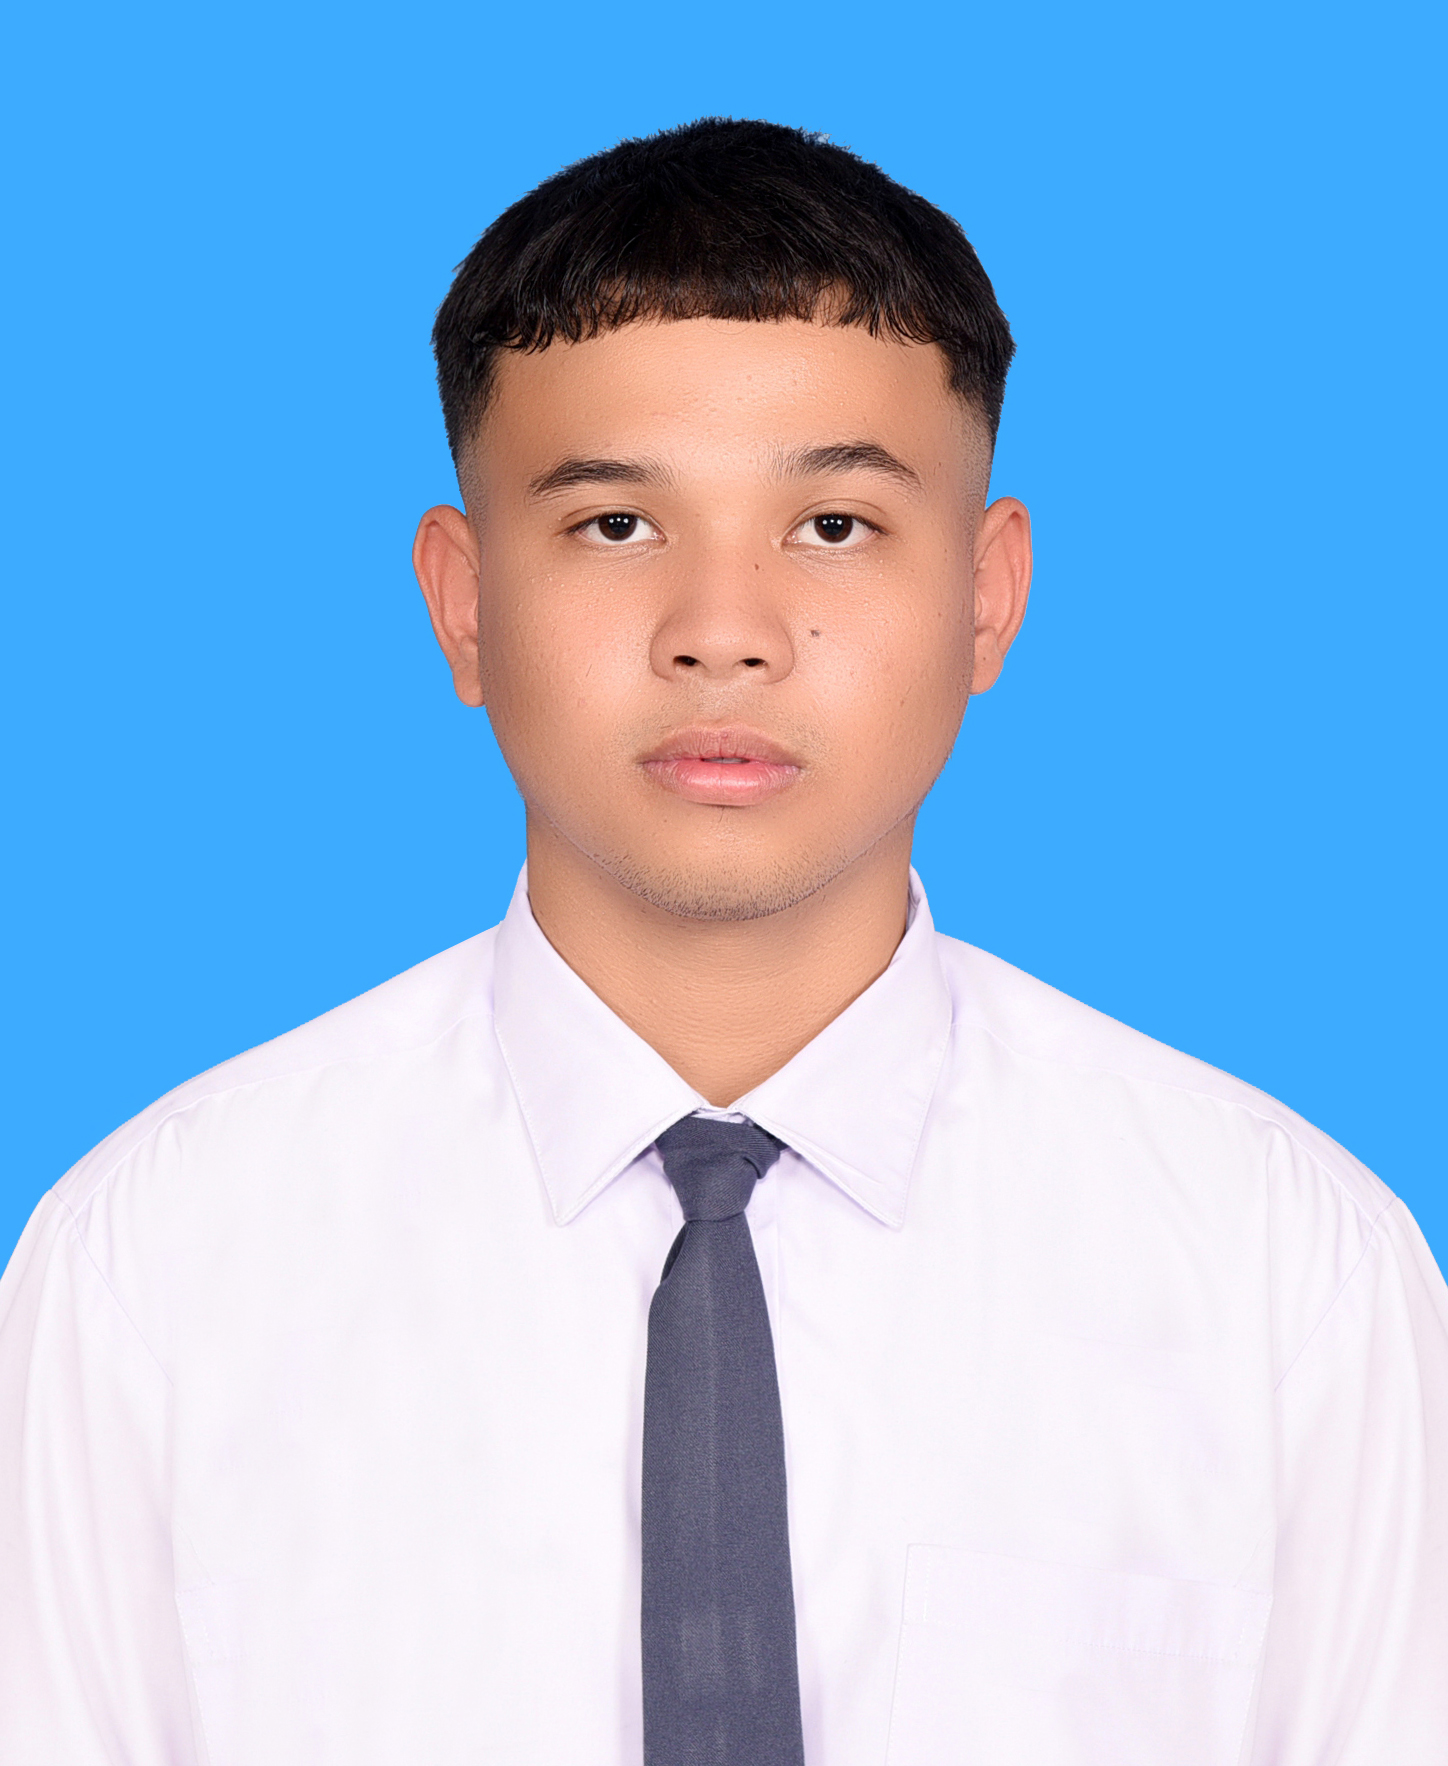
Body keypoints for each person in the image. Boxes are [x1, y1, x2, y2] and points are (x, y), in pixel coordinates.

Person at [1, 117, 1443, 1766]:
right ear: (463, 603)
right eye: (616, 526)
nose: (723, 634)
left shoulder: (1290, 1280)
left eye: (833, 525)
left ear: (988, 594)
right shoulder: (149, 1275)